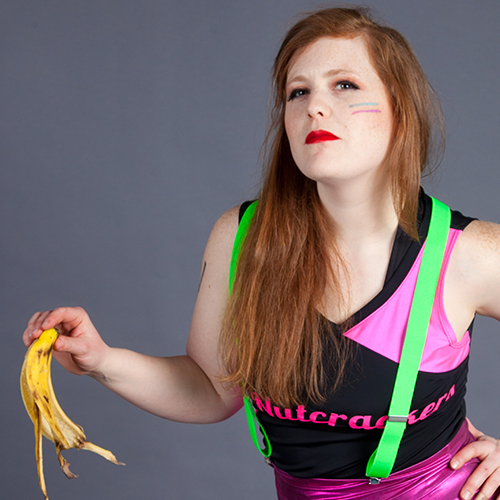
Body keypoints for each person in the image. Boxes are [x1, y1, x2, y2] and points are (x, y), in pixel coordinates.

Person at [22, 6, 500, 500]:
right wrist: (100, 360)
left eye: (344, 85)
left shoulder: (468, 254)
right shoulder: (241, 239)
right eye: (298, 92)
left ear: (400, 112)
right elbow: (211, 389)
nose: (315, 107)